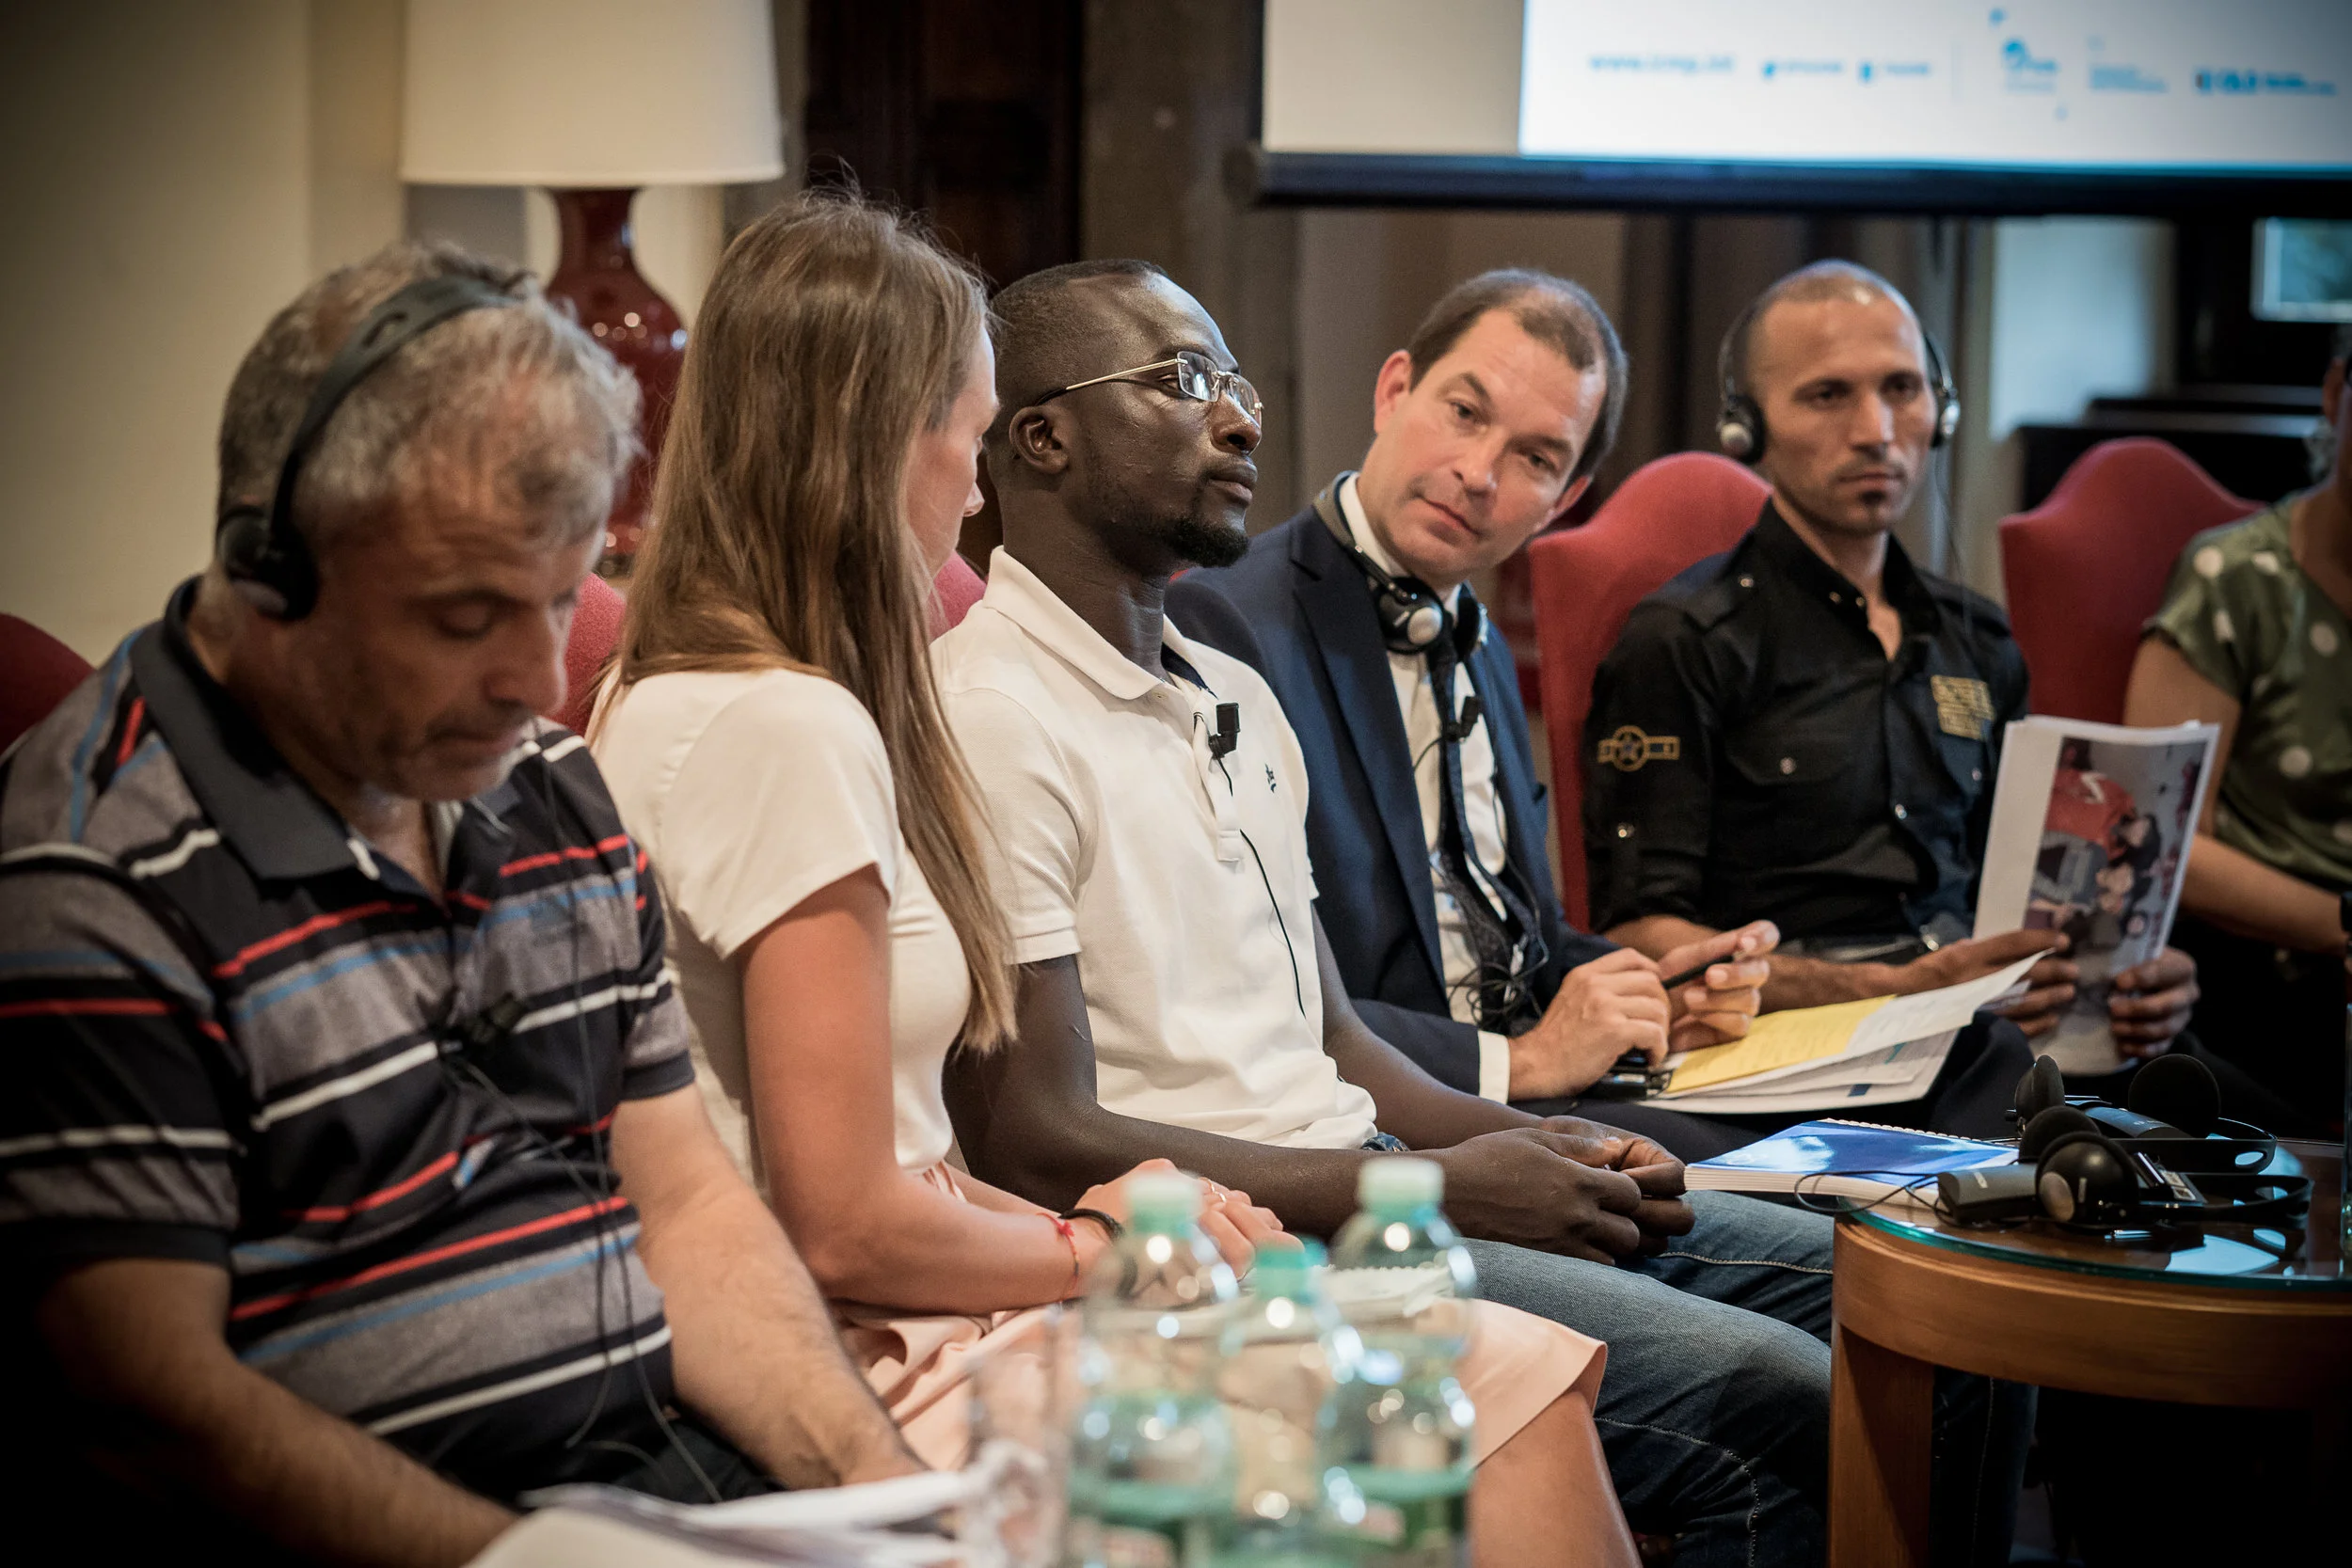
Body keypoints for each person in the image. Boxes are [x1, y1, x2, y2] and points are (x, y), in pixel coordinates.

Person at [588, 196, 1638, 1568]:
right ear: (869, 451)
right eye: (963, 446)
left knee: (1492, 1366)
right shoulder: (795, 724)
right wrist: (1122, 1247)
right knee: (1491, 1385)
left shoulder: (660, 688)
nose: (970, 502)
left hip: (940, 1265)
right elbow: (844, 1216)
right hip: (883, 1330)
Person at [934, 258, 2030, 1568]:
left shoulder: (1221, 686)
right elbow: (1030, 1129)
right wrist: (1439, 1181)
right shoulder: (991, 713)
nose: (1242, 418)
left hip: (1379, 1163)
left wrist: (1543, 1138)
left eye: (1236, 380)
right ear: (1040, 435)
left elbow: (1332, 1037)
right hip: (1256, 1240)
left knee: (1958, 1298)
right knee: (1772, 1396)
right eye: (1184, 382)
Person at [0, 244, 922, 1565]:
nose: (536, 677)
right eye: (464, 615)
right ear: (271, 570)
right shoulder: (93, 877)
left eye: (561, 600)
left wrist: (880, 1489)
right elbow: (152, 1409)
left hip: (650, 1486)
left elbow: (688, 1210)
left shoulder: (543, 785)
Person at [1169, 267, 2026, 1150]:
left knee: (1924, 1125)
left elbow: (1515, 935)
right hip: (1398, 1119)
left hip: (1541, 1084)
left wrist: (1652, 990)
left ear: (1567, 496)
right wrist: (1528, 1062)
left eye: (1537, 458)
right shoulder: (1231, 620)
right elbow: (1260, 993)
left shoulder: (1478, 636)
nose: (1477, 474)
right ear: (1395, 390)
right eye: (1465, 413)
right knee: (1813, 1197)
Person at [1583, 261, 2206, 1095]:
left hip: (1989, 1035)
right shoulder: (1684, 640)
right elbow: (1639, 935)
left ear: (1940, 412)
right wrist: (1897, 992)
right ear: (1746, 427)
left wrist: (2118, 974)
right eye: (1828, 394)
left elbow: (2021, 895)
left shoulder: (1978, 639)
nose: (1877, 429)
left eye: (1903, 388)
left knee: (2239, 1128)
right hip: (1793, 1058)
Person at [2123, 323, 2352, 1132]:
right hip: (2270, 982)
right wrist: (2342, 926)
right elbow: (2160, 836)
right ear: (2335, 394)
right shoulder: (2238, 580)